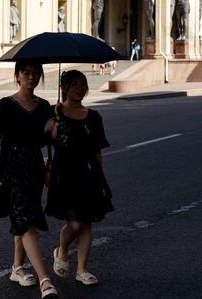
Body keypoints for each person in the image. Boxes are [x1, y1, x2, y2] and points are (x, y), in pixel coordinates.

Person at [0, 61, 58, 298]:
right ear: (17, 75)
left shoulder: (45, 106)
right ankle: (45, 280)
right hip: (11, 170)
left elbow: (49, 139)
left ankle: (17, 267)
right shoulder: (6, 105)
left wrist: (56, 121)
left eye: (36, 73)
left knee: (24, 218)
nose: (32, 77)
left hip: (35, 169)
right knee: (26, 221)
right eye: (26, 73)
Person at [44, 70, 114, 286]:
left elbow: (97, 151)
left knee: (86, 224)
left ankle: (82, 269)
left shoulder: (93, 117)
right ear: (63, 88)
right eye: (75, 84)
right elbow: (45, 136)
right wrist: (53, 120)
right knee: (74, 223)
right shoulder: (54, 113)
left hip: (89, 174)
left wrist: (99, 177)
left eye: (83, 84)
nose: (80, 89)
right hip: (64, 175)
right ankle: (62, 249)